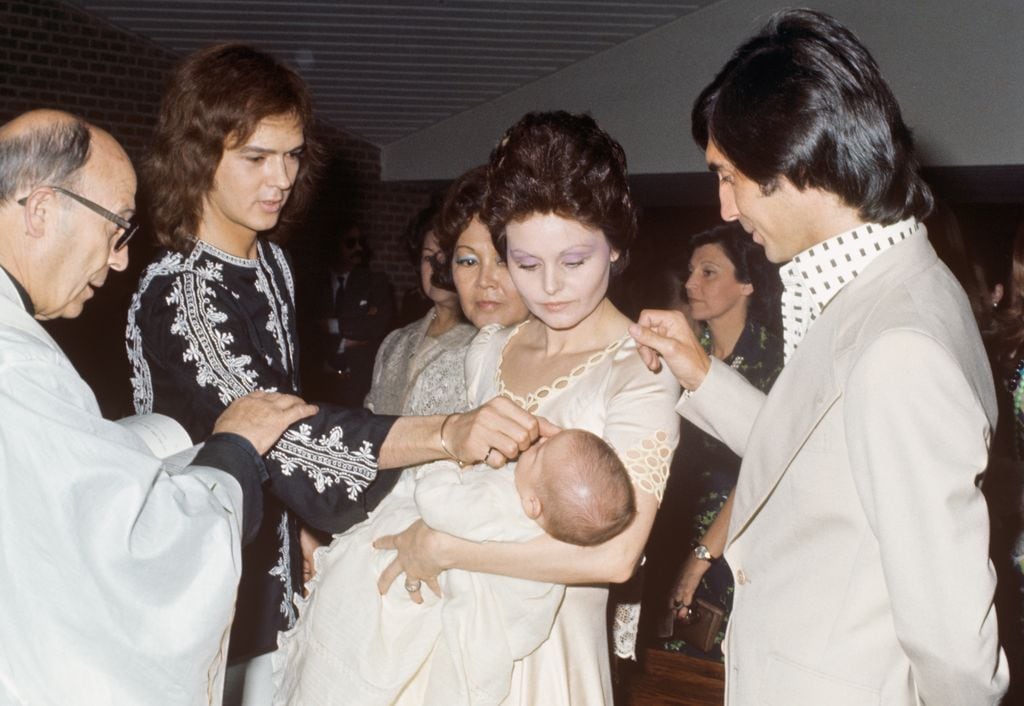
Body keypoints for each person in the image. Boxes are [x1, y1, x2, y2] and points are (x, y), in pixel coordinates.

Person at [125, 44, 545, 706]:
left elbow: (281, 421)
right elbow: (283, 438)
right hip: (200, 573)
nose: (282, 178)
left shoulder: (273, 263)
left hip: (270, 557)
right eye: (257, 157)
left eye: (292, 155)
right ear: (198, 155)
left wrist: (298, 527)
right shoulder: (180, 293)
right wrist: (448, 433)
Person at [630, 9, 1007, 703]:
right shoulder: (883, 284)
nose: (724, 205)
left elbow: (956, 653)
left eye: (728, 176)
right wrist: (701, 373)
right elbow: (820, 456)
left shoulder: (899, 345)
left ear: (794, 164)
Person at [0, 109, 319, 704]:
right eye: (118, 228)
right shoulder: (16, 359)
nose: (121, 259)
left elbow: (62, 476)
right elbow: (134, 550)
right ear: (41, 210)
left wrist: (173, 437)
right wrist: (234, 452)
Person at [374, 111, 681, 705]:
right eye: (527, 263)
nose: (550, 288)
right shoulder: (490, 349)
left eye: (574, 262)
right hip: (460, 633)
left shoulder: (639, 369)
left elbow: (617, 557)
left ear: (615, 248)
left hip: (552, 656)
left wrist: (443, 547)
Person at [276, 429, 635, 705]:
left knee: (372, 614)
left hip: (430, 581)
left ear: (533, 504)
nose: (538, 443)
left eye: (539, 454)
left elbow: (438, 504)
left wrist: (447, 465)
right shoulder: (539, 525)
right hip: (491, 603)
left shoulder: (499, 499)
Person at [641, 222, 782, 660]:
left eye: (708, 272)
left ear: (747, 283)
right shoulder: (673, 358)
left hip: (736, 547)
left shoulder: (777, 361)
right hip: (667, 531)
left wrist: (701, 558)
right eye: (690, 272)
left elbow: (769, 467)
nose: (690, 284)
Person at [364, 200, 474, 416]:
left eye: (447, 256)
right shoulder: (395, 342)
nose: (435, 267)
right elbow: (370, 412)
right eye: (427, 256)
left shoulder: (483, 342)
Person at [323, 224, 395, 406]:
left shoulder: (374, 282)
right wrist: (357, 329)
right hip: (318, 382)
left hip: (357, 384)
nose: (359, 249)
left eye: (361, 242)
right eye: (351, 243)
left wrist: (330, 326)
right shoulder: (311, 280)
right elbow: (305, 330)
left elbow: (378, 326)